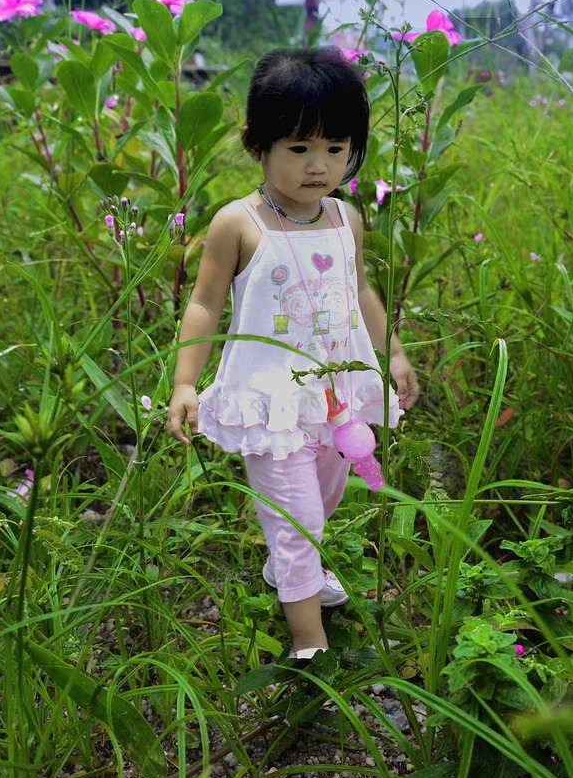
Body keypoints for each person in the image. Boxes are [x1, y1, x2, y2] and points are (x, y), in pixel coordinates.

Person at [167, 47, 419, 660]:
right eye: (300, 148)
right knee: (300, 517)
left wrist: (394, 353)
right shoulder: (239, 223)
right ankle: (310, 643)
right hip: (272, 402)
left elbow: (360, 292)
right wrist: (184, 383)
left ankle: (289, 570)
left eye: (336, 150)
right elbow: (203, 306)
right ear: (258, 145)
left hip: (336, 397)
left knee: (325, 499)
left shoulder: (345, 217)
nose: (319, 166)